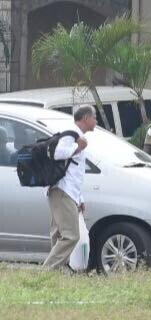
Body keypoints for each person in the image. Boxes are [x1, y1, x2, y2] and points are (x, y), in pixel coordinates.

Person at [43, 105, 97, 270]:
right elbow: (58, 153)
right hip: (62, 190)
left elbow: (74, 172)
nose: (96, 121)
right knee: (71, 236)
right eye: (94, 117)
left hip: (67, 191)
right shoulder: (72, 135)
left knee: (58, 234)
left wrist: (79, 198)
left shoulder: (77, 135)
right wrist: (77, 147)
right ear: (86, 118)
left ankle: (56, 274)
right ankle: (47, 272)